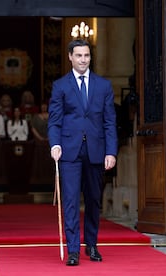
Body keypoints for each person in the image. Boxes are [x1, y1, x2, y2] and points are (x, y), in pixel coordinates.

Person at [47, 39, 118, 266]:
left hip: (96, 151)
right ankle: (73, 250)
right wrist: (54, 144)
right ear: (70, 57)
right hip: (69, 151)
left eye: (86, 56)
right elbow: (54, 121)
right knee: (69, 201)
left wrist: (111, 151)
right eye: (78, 56)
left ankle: (92, 245)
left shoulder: (103, 86)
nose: (83, 60)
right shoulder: (60, 86)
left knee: (93, 200)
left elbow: (109, 122)